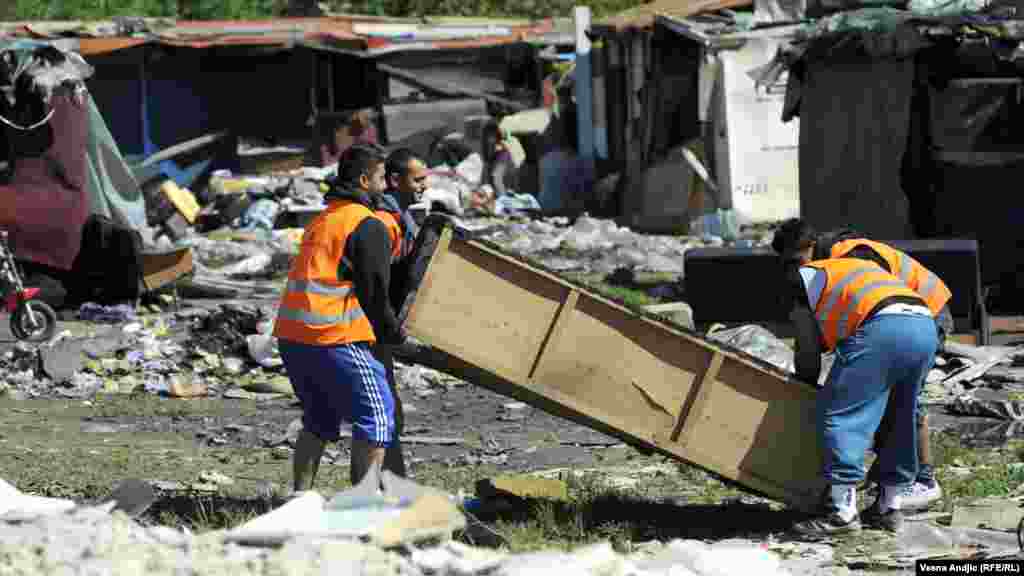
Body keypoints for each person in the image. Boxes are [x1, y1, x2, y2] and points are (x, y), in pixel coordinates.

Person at [771, 218, 951, 511]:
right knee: (893, 403)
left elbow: (867, 302)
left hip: (925, 309)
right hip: (913, 319)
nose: (792, 270)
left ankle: (917, 482)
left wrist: (806, 387)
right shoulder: (827, 265)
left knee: (892, 405)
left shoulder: (850, 256)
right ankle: (890, 497)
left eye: (794, 261)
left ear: (810, 246)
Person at [273, 143, 405, 492]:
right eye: (380, 178)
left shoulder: (324, 218)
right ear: (364, 180)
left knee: (319, 420)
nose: (386, 187)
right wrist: (394, 334)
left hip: (292, 336)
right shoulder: (366, 225)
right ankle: (361, 506)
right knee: (377, 416)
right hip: (331, 336)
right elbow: (374, 294)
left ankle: (298, 498)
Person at [358, 147, 429, 479]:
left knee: (386, 412)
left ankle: (393, 482)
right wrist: (391, 331)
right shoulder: (385, 223)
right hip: (369, 329)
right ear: (395, 180)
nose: (424, 186)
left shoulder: (400, 217)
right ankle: (378, 489)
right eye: (418, 180)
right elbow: (375, 284)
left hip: (376, 328)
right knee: (380, 414)